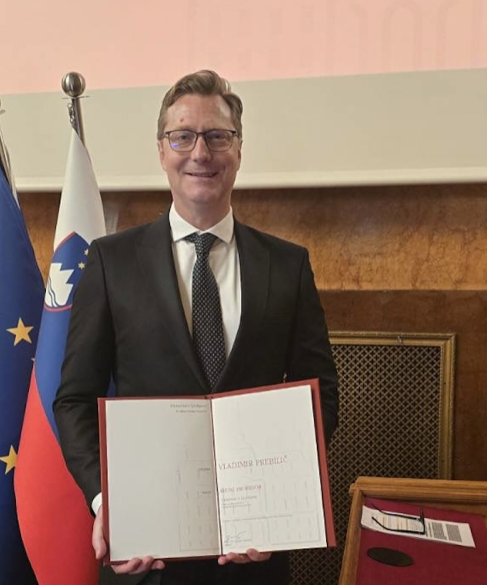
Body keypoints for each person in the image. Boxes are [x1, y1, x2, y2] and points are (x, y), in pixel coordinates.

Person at [54, 70, 339, 585]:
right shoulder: (110, 262)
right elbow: (74, 400)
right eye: (182, 136)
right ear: (162, 151)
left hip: (256, 556)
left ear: (239, 149)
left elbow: (321, 396)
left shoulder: (287, 266)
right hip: (146, 555)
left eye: (218, 136)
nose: (200, 153)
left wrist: (277, 500)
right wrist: (107, 501)